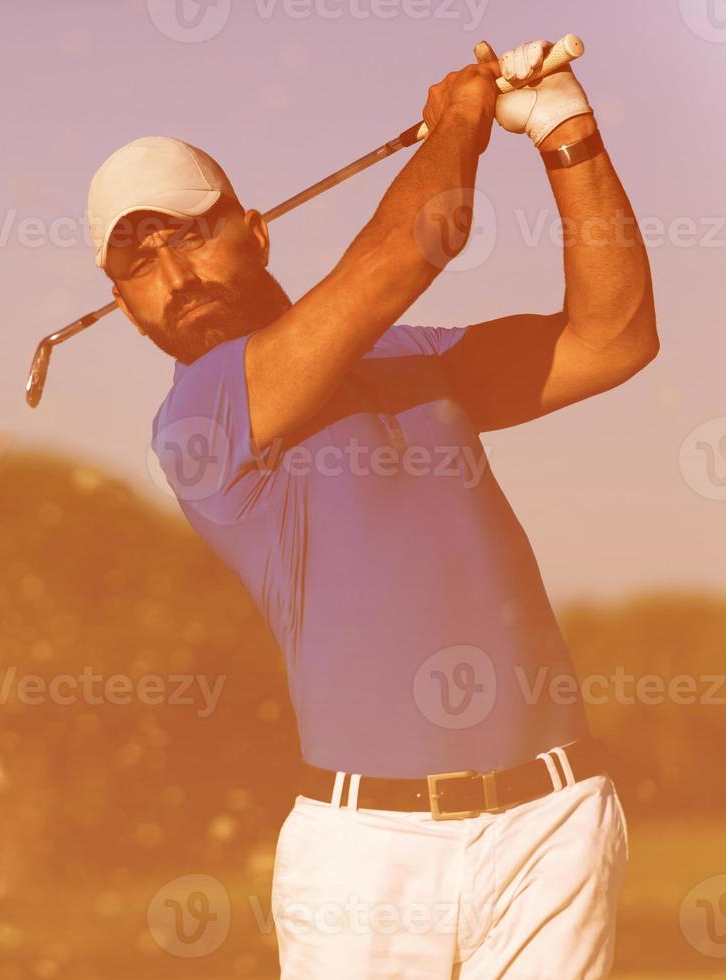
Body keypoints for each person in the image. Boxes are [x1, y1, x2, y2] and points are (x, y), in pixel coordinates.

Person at [88, 40, 656, 978]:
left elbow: (614, 338)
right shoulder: (202, 415)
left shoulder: (412, 357)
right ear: (122, 306)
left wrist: (566, 132)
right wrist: (461, 124)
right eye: (137, 266)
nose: (175, 279)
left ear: (255, 232)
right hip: (365, 861)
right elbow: (410, 246)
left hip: (553, 826)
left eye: (188, 235)